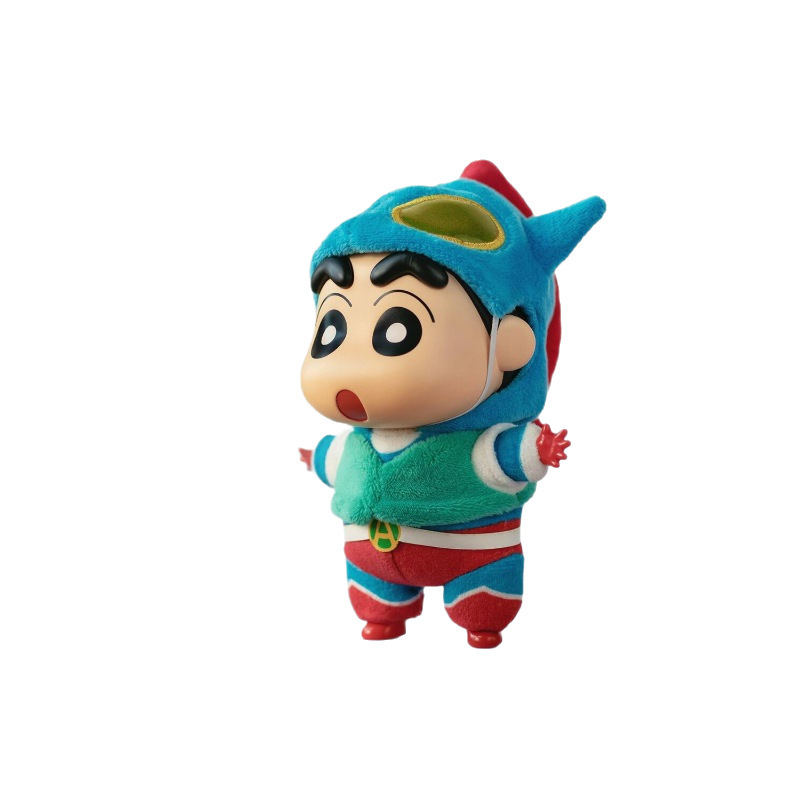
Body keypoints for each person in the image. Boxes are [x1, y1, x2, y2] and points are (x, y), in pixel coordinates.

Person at [299, 160, 605, 648]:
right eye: (332, 328)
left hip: (471, 553)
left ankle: (480, 616)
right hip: (370, 557)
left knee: (481, 595)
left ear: (512, 341)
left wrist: (536, 449)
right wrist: (316, 457)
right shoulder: (360, 439)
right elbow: (335, 458)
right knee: (374, 590)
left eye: (397, 330)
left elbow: (501, 456)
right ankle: (383, 611)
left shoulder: (473, 439)